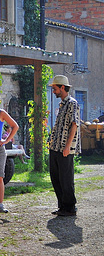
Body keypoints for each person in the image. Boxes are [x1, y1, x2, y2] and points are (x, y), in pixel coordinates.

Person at [48, 75, 81, 216]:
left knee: (66, 178)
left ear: (62, 87)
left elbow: (74, 125)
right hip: (55, 147)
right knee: (55, 177)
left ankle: (70, 207)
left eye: (55, 89)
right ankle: (62, 206)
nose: (53, 92)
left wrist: (67, 146)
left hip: (64, 148)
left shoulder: (72, 103)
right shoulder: (62, 104)